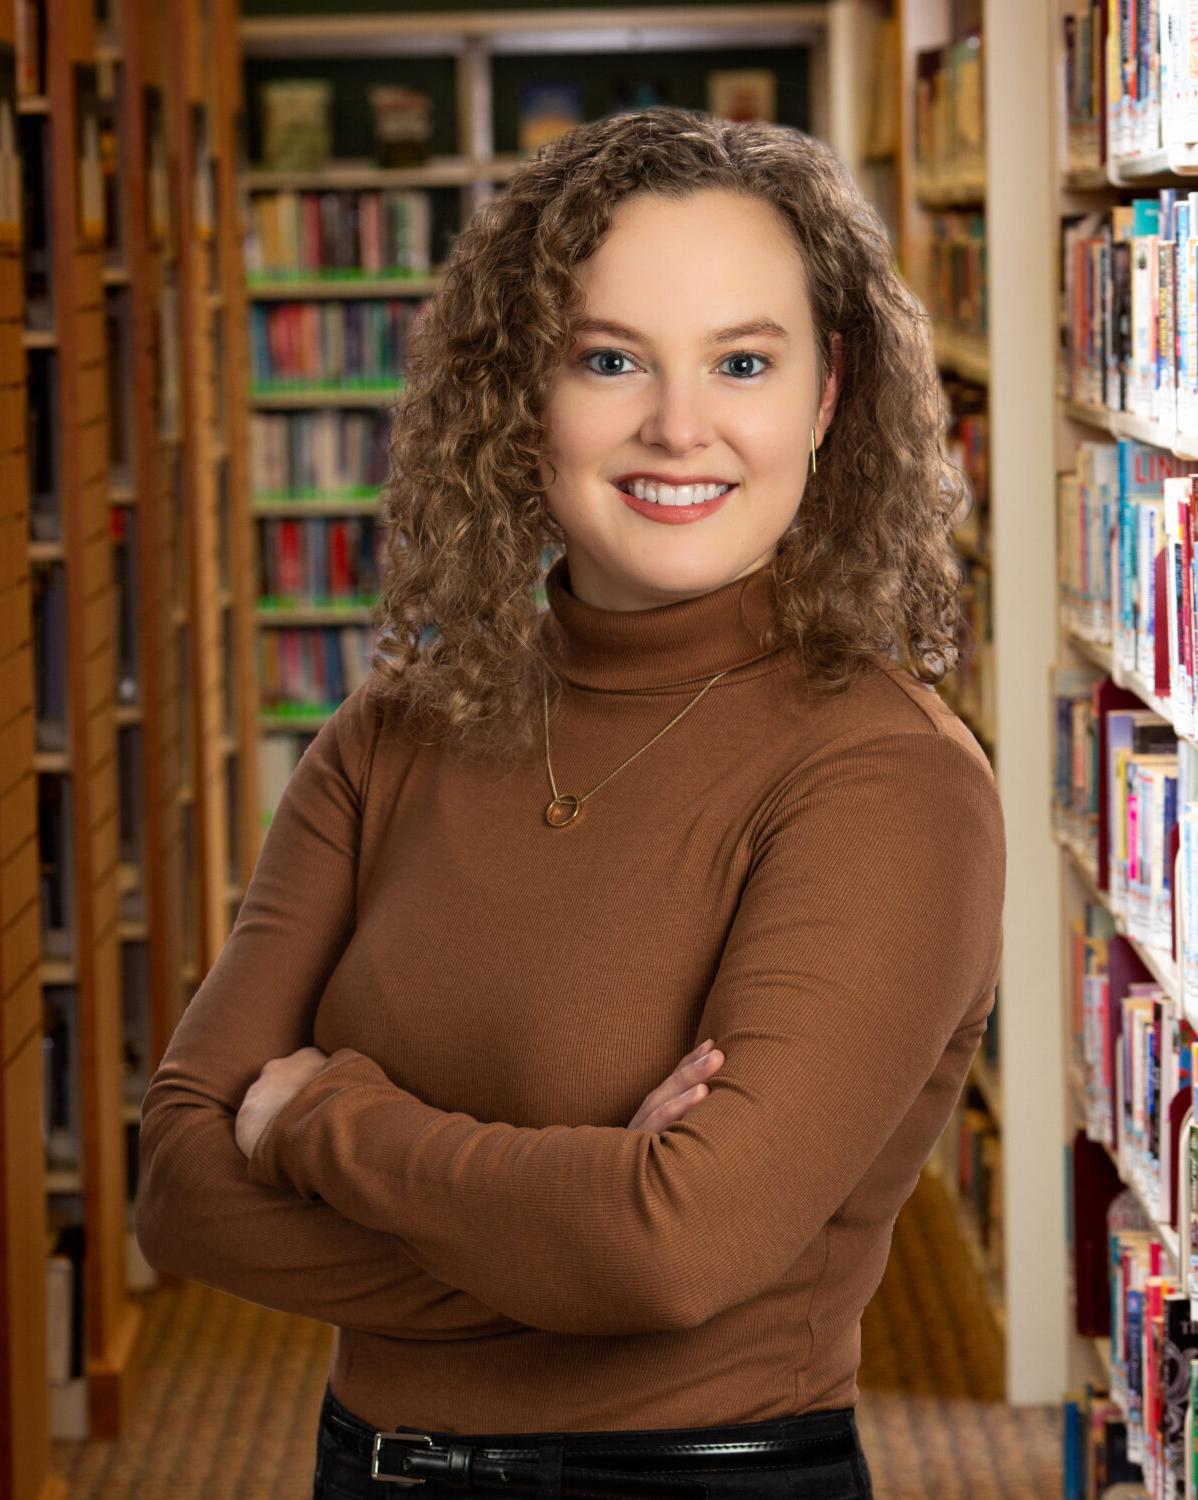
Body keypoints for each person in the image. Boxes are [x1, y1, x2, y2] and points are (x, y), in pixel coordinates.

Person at [134, 106, 1005, 1500]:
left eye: (741, 361)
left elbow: (673, 1252)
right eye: (609, 359)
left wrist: (315, 1119)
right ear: (521, 389)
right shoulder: (398, 727)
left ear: (827, 394)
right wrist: (576, 1232)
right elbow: (179, 1189)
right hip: (371, 1471)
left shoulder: (887, 779)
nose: (677, 425)